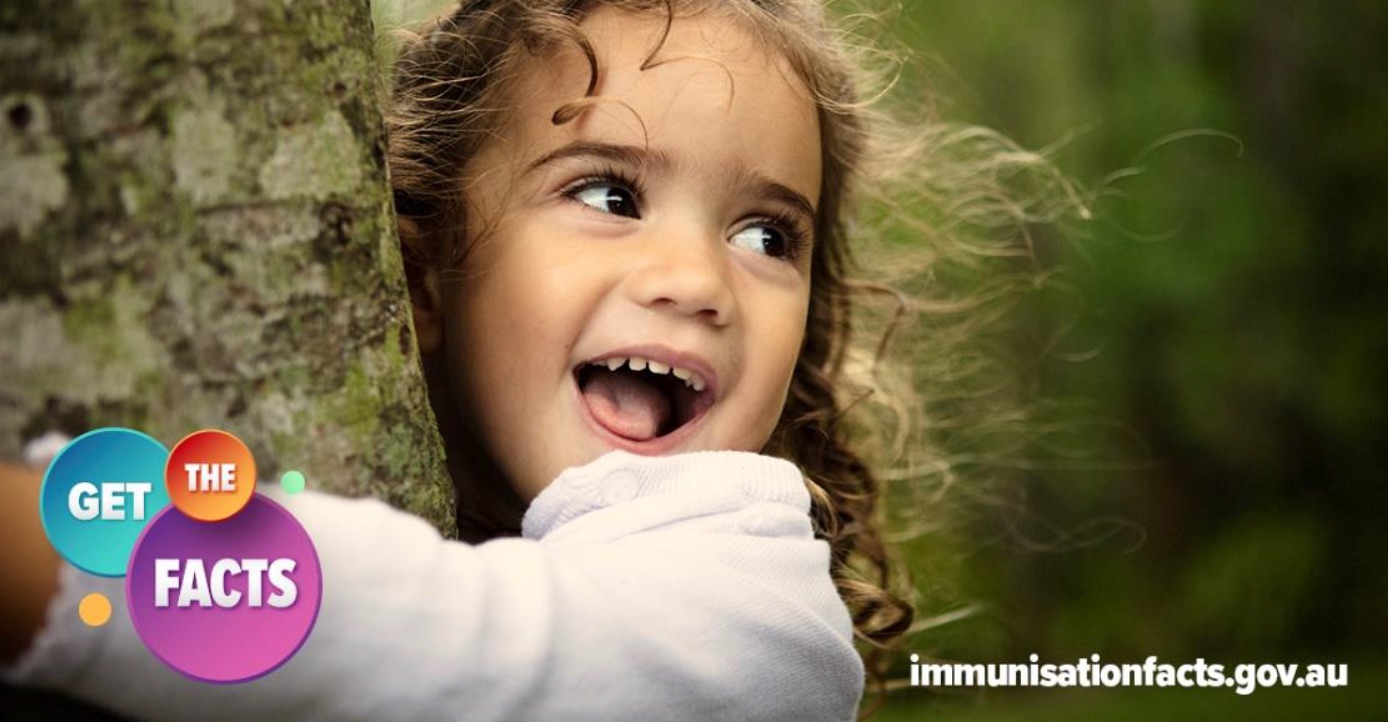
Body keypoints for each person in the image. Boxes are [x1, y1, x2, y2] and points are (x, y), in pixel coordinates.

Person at [6, 0, 1078, 719]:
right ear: (419, 277)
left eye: (767, 235)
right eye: (608, 194)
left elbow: (448, 639)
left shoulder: (754, 606)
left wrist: (50, 555)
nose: (696, 279)